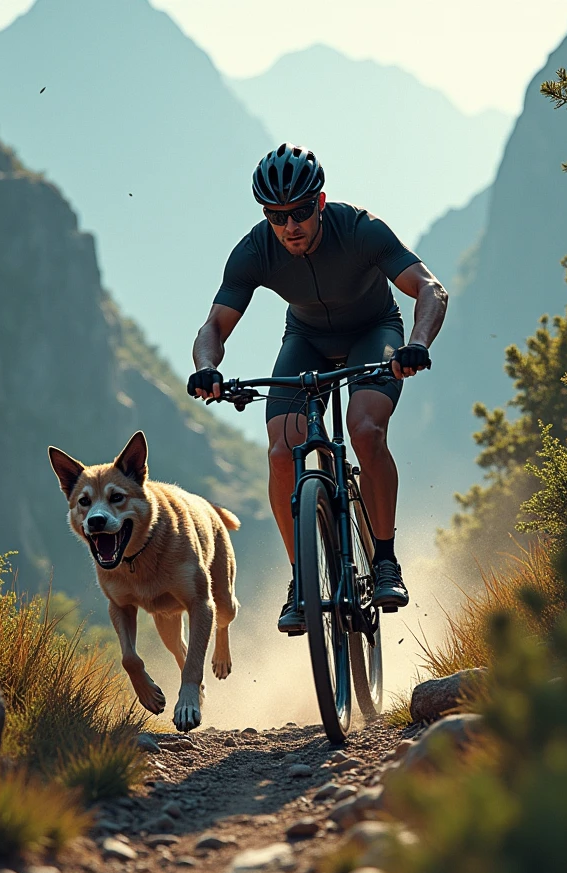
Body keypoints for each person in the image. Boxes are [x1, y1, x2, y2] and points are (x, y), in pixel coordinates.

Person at [187, 143, 448, 633]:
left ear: (320, 203)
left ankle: (385, 559)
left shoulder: (360, 229)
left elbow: (431, 288)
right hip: (305, 339)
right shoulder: (254, 250)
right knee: (281, 452)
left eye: (301, 211)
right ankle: (301, 580)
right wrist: (206, 368)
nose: (291, 226)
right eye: (277, 215)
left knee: (364, 428)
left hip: (375, 332)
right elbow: (213, 327)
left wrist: (417, 342)